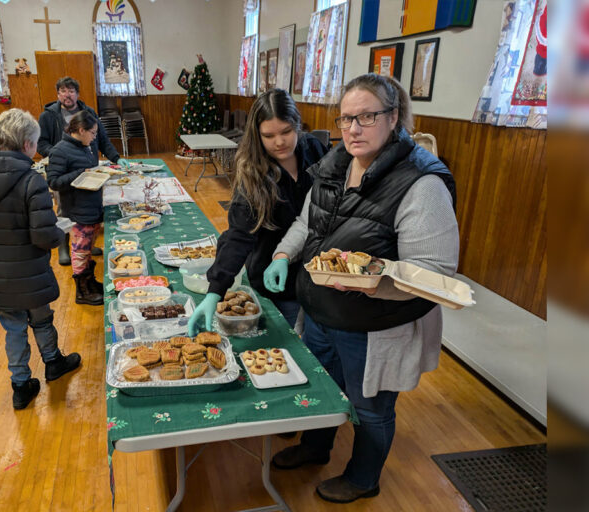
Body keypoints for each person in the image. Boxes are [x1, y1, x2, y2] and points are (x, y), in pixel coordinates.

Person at [263, 73, 459, 504]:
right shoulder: (336, 163)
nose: (353, 128)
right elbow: (305, 222)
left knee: (370, 407)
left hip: (374, 324)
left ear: (394, 118)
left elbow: (434, 271)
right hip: (320, 311)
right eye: (347, 118)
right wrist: (282, 256)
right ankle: (315, 449)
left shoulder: (421, 185)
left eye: (367, 117)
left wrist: (370, 282)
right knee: (321, 387)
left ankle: (363, 477)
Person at [0, 109, 82, 410]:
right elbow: (43, 237)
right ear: (27, 144)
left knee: (12, 327)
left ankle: (21, 385)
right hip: (30, 270)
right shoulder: (31, 180)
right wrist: (57, 231)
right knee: (42, 318)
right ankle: (52, 362)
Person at [187, 88, 327, 336]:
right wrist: (215, 290)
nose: (280, 142)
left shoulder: (314, 149)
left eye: (286, 132)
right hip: (274, 280)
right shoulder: (253, 173)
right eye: (269, 135)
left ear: (297, 125)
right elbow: (239, 235)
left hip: (318, 276)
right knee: (287, 342)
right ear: (257, 135)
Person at [37, 77, 129, 266]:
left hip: (87, 170)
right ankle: (64, 247)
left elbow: (103, 140)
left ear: (77, 94)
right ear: (58, 94)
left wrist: (117, 158)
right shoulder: (48, 116)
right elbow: (41, 143)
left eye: (71, 91)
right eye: (63, 91)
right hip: (63, 169)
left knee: (89, 206)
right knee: (64, 209)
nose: (67, 94)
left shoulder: (88, 113)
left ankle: (87, 243)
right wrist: (59, 153)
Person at [46, 111, 105, 306]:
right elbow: (54, 182)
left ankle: (90, 283)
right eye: (93, 133)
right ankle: (82, 292)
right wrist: (80, 172)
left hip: (92, 207)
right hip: (78, 211)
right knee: (80, 251)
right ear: (81, 130)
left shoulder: (86, 145)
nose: (95, 137)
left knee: (87, 250)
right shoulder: (60, 151)